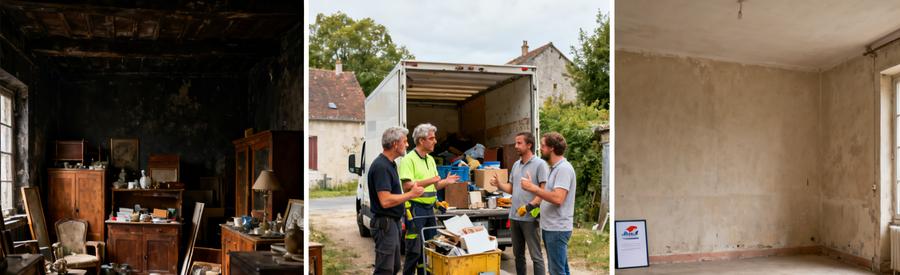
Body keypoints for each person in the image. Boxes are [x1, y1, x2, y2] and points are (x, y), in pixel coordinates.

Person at [398, 123, 460, 275]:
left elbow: (434, 185)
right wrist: (432, 180)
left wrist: (445, 182)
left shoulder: (431, 159)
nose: (435, 141)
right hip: (415, 210)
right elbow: (407, 186)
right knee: (414, 250)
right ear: (421, 140)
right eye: (431, 138)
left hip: (428, 210)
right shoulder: (409, 159)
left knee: (429, 250)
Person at [368, 126, 425, 275]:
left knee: (393, 267)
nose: (407, 145)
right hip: (384, 224)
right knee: (384, 269)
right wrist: (411, 194)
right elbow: (385, 201)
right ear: (394, 144)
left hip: (392, 223)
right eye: (404, 141)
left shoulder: (390, 164)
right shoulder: (381, 166)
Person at [490, 132, 548, 275]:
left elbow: (543, 192)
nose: (515, 146)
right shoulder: (516, 165)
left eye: (519, 143)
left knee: (536, 256)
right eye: (516, 143)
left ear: (529, 145)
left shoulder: (540, 164)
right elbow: (511, 188)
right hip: (514, 216)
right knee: (518, 256)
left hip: (530, 218)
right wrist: (499, 184)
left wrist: (529, 207)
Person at [520, 132, 577, 275]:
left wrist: (533, 188)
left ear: (552, 148)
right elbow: (548, 195)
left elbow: (558, 198)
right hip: (551, 227)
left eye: (543, 146)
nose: (541, 149)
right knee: (562, 269)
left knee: (556, 271)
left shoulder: (563, 169)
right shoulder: (554, 168)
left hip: (557, 228)